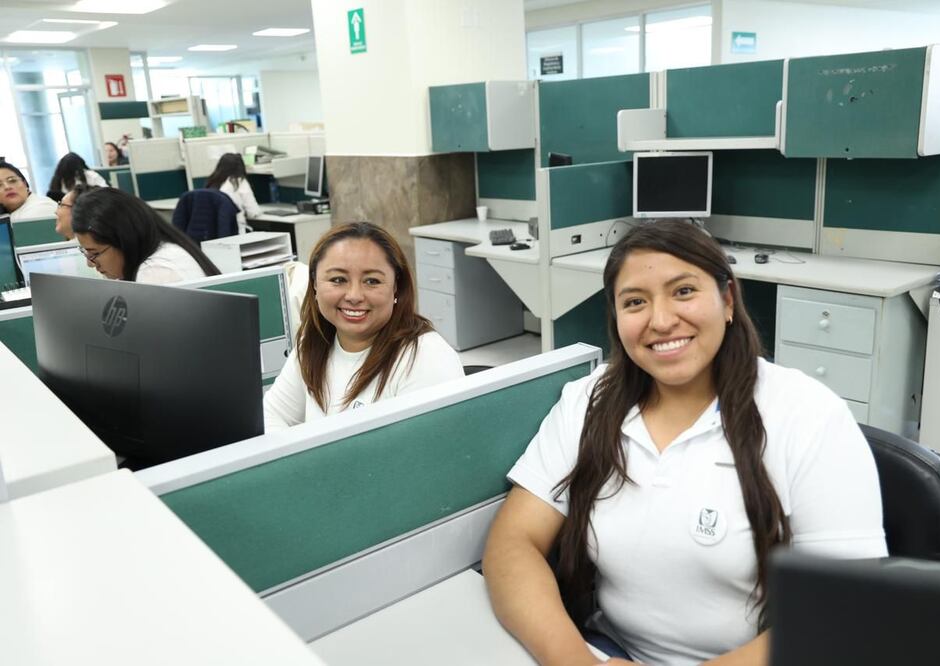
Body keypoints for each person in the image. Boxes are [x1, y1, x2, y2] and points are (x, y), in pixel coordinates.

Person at [483, 221, 887, 666]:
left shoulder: (807, 414)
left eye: (683, 292)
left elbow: (844, 607)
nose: (660, 320)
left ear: (728, 300)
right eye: (635, 302)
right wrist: (574, 661)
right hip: (612, 652)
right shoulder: (590, 401)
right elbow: (513, 542)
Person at [264, 221, 465, 430]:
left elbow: (419, 455)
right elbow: (272, 415)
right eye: (338, 279)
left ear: (396, 286)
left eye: (372, 281)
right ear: (314, 283)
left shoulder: (424, 357)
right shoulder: (314, 343)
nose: (354, 296)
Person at [70, 188, 220, 284]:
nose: (90, 264)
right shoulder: (165, 248)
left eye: (95, 253)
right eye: (86, 253)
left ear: (124, 239)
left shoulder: (156, 272)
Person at [204, 153, 262, 234]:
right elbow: (253, 213)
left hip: (214, 233)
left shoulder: (212, 182)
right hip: (236, 231)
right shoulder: (239, 181)